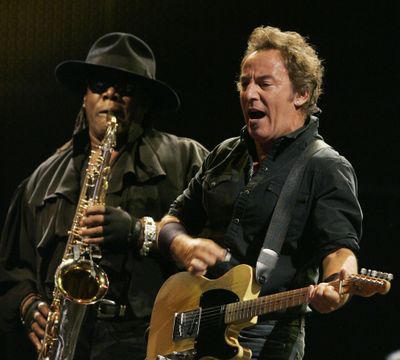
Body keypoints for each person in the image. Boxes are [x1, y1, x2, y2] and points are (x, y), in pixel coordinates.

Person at [157, 26, 362, 359]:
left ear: (302, 94)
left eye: (264, 84)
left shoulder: (324, 166)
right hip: (195, 329)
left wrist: (339, 284)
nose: (249, 93)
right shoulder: (224, 153)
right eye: (244, 82)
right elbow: (173, 218)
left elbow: (340, 249)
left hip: (268, 340)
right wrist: (181, 243)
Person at [0, 32, 208, 360]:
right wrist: (27, 305)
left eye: (126, 88)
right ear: (84, 96)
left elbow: (218, 249)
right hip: (68, 340)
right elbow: (12, 268)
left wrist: (139, 231)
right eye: (99, 84)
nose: (111, 94)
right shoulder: (42, 179)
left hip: (152, 339)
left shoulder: (187, 160)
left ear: (145, 100)